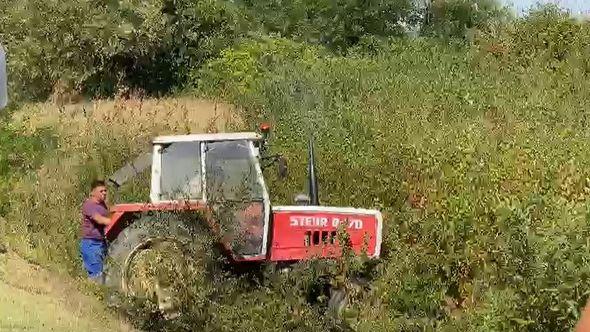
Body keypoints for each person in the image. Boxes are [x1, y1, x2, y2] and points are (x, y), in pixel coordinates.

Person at [80, 179, 111, 283]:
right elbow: (98, 219)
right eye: (101, 191)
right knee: (96, 275)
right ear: (93, 192)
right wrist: (112, 222)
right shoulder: (89, 205)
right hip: (91, 244)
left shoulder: (103, 205)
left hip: (101, 243)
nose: (104, 193)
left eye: (105, 191)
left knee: (104, 273)